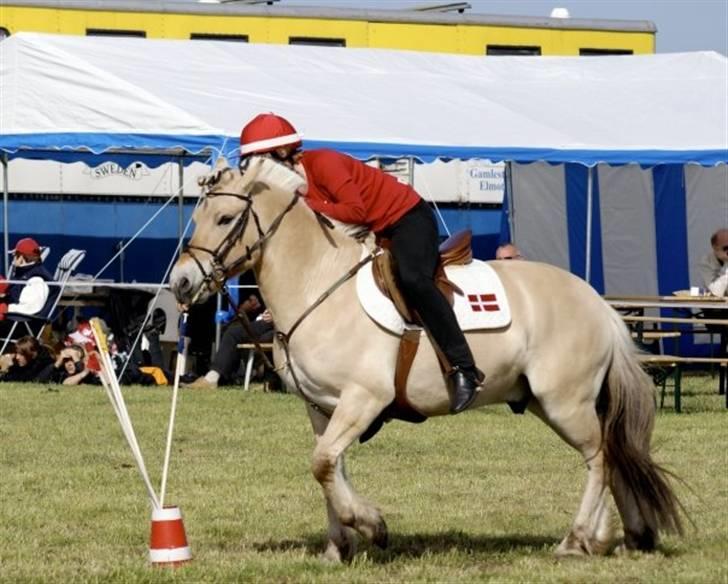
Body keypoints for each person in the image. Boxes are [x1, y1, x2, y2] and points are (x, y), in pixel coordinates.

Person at [237, 113, 483, 413]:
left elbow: (356, 212)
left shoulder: (324, 163)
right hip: (375, 232)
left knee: (413, 279)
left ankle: (464, 369)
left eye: (261, 162)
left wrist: (303, 205)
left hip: (406, 219)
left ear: (283, 153)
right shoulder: (292, 185)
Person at [186, 294, 274, 389]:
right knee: (233, 331)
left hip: (276, 323)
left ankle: (213, 378)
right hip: (270, 322)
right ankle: (268, 381)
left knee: (233, 333)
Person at [0, 238, 54, 341]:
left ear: (22, 257)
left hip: (20, 325)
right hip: (14, 320)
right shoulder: (26, 273)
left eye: (15, 255)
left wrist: (5, 308)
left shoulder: (36, 279)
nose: (13, 259)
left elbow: (30, 308)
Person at [697, 228, 728, 297]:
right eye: (726, 248)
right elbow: (716, 292)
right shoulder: (706, 262)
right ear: (715, 248)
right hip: (715, 302)